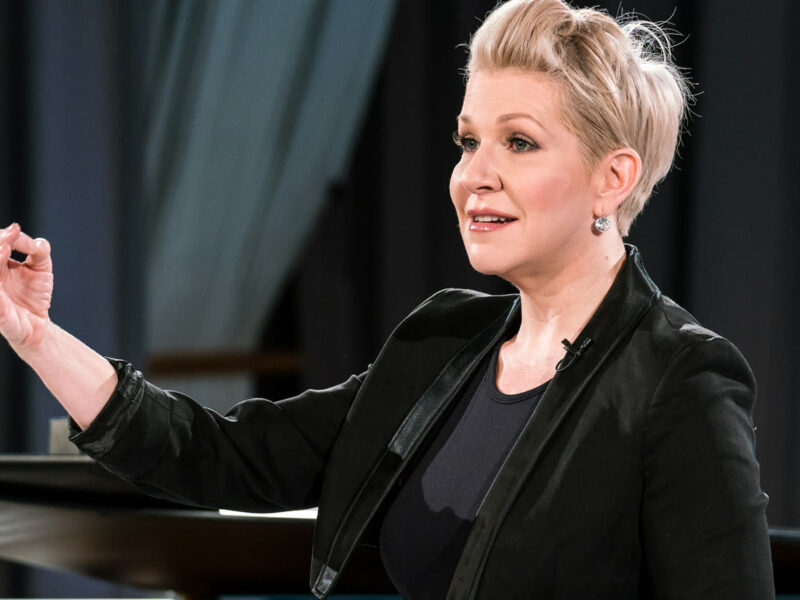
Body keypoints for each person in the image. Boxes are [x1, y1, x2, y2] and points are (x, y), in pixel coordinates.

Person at [0, 0, 775, 598]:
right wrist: (37, 336)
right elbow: (229, 459)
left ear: (614, 178)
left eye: (520, 142)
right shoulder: (440, 342)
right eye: (469, 141)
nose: (476, 174)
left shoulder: (681, 379)